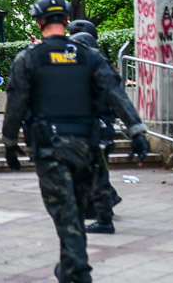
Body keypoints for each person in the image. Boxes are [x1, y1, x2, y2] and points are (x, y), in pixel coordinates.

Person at [2, 0, 149, 283]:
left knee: (66, 214)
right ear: (67, 20)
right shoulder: (89, 56)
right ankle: (69, 268)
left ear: (40, 21)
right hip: (86, 148)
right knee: (76, 212)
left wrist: (9, 143)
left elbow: (16, 103)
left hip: (50, 149)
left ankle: (79, 272)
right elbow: (115, 93)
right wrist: (136, 131)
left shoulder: (28, 59)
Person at [66, 20, 122, 234]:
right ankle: (103, 207)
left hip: (98, 127)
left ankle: (104, 218)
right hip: (94, 126)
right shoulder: (94, 65)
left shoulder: (97, 67)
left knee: (96, 173)